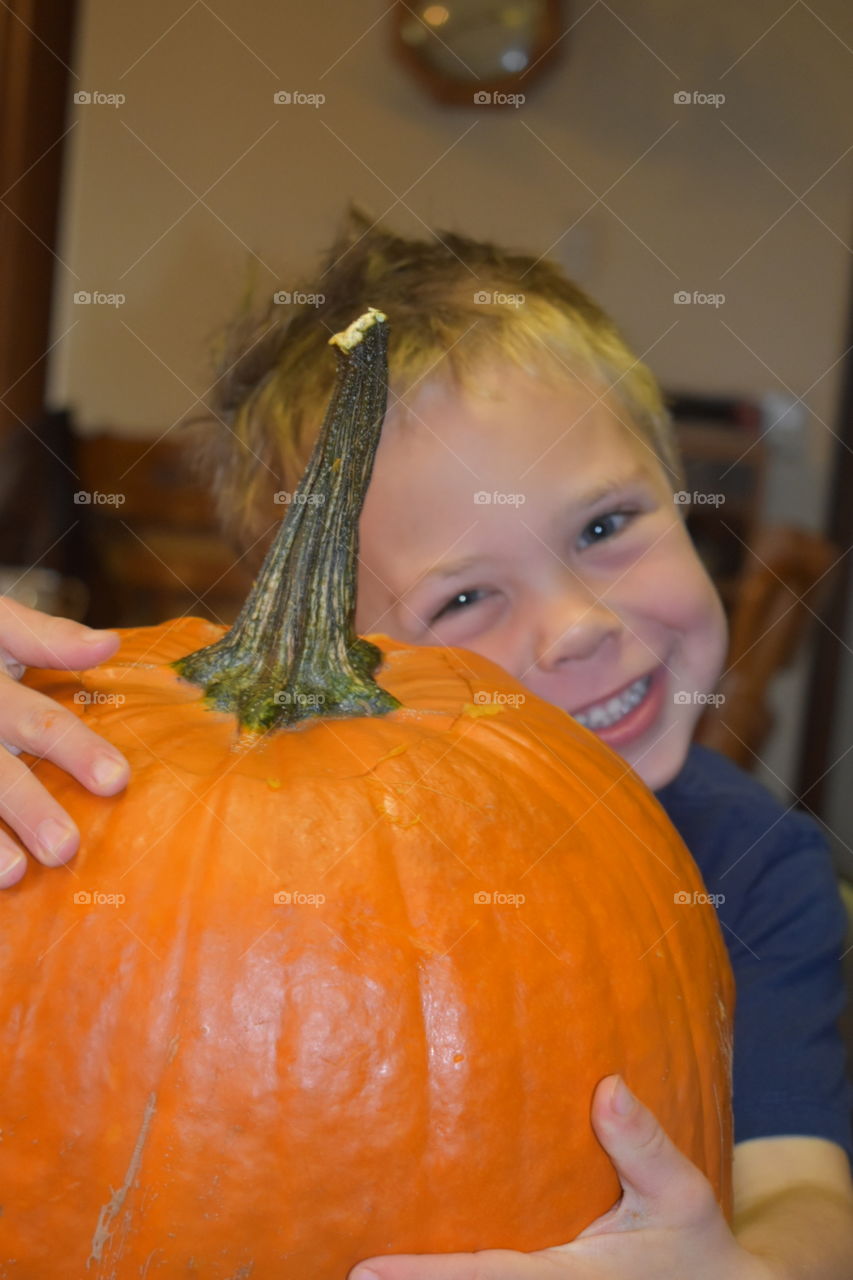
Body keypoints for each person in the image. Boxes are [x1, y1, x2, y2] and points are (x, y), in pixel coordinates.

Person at [2, 209, 852, 1278]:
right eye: (462, 596)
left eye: (603, 527)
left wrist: (752, 1269)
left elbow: (809, 1195)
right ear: (351, 658)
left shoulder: (752, 865)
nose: (577, 623)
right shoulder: (242, 855)